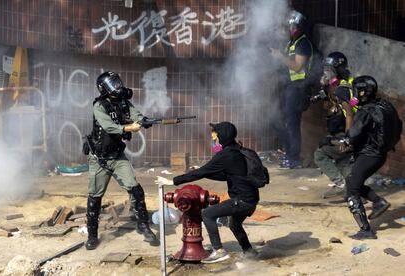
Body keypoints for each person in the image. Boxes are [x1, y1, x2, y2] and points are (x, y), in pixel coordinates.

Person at [155, 122, 260, 263]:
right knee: (234, 224)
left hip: (242, 201)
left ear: (222, 136)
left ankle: (219, 250)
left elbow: (202, 172)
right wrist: (204, 170)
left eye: (215, 137)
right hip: (251, 199)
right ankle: (249, 252)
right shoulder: (237, 150)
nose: (213, 140)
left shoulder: (226, 155)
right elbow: (225, 175)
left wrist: (173, 181)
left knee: (207, 214)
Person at [83, 71, 156, 250]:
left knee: (135, 189)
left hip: (117, 156)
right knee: (95, 196)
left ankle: (143, 225)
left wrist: (143, 120)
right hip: (99, 159)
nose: (117, 86)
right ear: (104, 88)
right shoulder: (99, 106)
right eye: (112, 84)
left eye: (117, 82)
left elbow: (134, 113)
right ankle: (92, 235)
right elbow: (110, 127)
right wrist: (129, 127)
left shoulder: (123, 101)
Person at [335, 76, 402, 240]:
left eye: (357, 92)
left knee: (352, 190)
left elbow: (354, 133)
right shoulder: (386, 106)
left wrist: (346, 140)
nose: (355, 96)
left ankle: (366, 230)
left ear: (364, 92)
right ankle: (378, 202)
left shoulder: (366, 111)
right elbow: (398, 126)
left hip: (368, 154)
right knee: (352, 182)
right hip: (380, 154)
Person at [270, 10, 313, 169]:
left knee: (292, 125)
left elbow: (296, 66)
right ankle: (290, 154)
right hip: (288, 88)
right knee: (276, 120)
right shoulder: (292, 44)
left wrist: (280, 56)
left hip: (298, 89)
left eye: (291, 25)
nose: (288, 29)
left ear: (297, 27)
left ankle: (294, 159)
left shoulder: (303, 44)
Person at [313, 52, 358, 198]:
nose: (327, 72)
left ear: (338, 70)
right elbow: (330, 108)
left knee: (320, 154)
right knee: (342, 162)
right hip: (344, 130)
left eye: (330, 69)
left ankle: (341, 185)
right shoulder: (336, 86)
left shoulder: (344, 87)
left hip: (348, 131)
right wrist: (325, 89)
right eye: (326, 69)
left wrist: (347, 138)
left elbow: (349, 114)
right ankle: (354, 193)